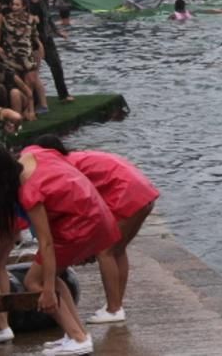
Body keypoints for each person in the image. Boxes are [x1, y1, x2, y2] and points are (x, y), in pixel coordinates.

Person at [0, 146, 121, 355]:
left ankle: (78, 338)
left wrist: (46, 291)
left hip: (78, 225)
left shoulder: (29, 191)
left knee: (33, 281)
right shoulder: (32, 154)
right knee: (51, 277)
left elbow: (46, 242)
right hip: (92, 214)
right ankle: (77, 333)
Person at [30, 135, 160, 324]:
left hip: (126, 192)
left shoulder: (58, 169)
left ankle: (114, 309)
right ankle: (116, 306)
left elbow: (77, 210)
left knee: (104, 250)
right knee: (117, 250)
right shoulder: (74, 159)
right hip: (143, 191)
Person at [28, 0, 72, 103]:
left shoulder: (44, 0)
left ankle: (63, 95)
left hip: (46, 37)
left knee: (56, 64)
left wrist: (57, 32)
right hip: (31, 39)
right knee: (33, 69)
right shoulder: (24, 1)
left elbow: (49, 18)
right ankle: (35, 99)